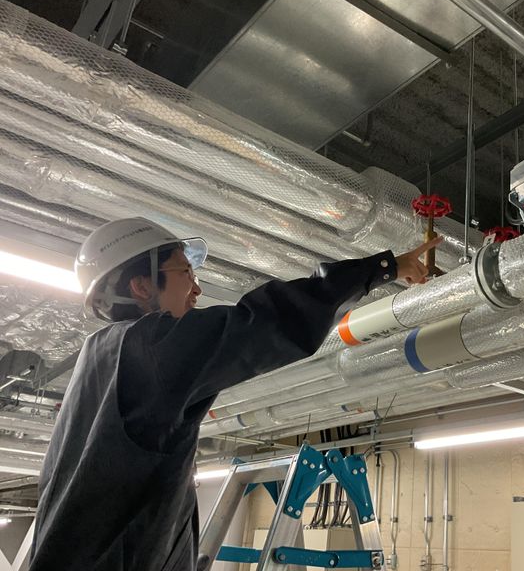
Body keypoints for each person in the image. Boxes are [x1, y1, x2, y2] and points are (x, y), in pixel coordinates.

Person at [29, 217, 439, 571]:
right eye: (185, 272)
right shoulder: (147, 348)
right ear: (140, 285)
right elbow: (266, 324)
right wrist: (382, 268)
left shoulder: (99, 360)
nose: (196, 289)